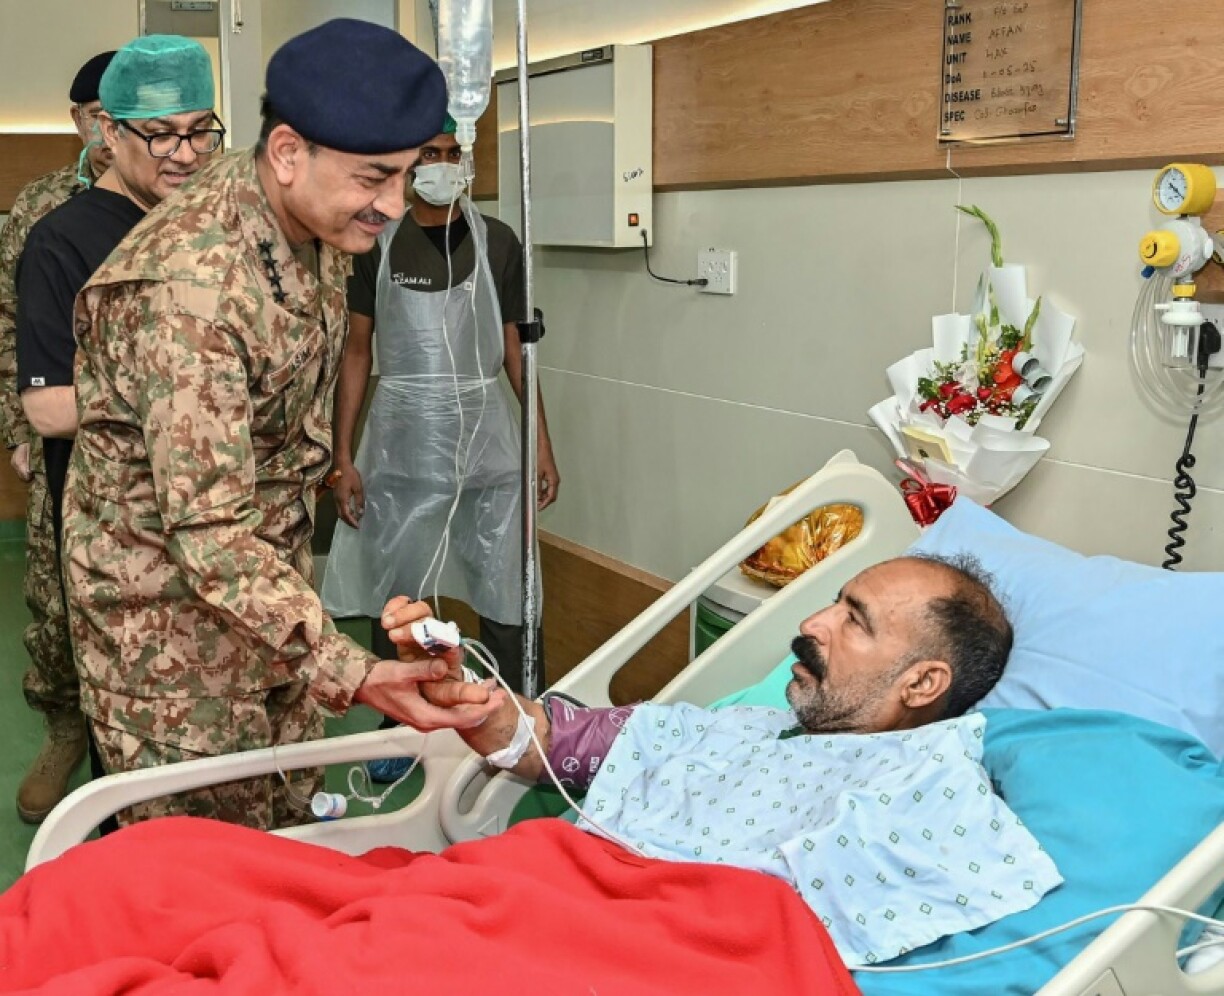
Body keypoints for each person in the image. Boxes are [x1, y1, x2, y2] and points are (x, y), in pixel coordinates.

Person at [61, 19, 504, 831]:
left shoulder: (315, 223)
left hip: (267, 599)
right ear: (289, 152)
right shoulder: (188, 291)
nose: (395, 204)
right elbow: (207, 533)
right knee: (205, 871)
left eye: (406, 174)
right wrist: (355, 669)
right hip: (168, 630)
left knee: (286, 828)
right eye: (376, 176)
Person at [13, 37, 220, 828]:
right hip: (118, 538)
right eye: (162, 135)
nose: (185, 153)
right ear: (110, 132)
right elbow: (49, 408)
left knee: (215, 740)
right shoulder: (63, 240)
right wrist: (185, 394)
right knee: (133, 747)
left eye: (201, 131)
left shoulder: (211, 233)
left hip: (215, 532)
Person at [388, 552, 1013, 782]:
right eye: (832, 603)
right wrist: (458, 692)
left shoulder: (924, 799)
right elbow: (546, 744)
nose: (809, 624)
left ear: (923, 682)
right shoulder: (725, 728)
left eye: (854, 619)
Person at [321, 115, 559, 697]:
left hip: (488, 438)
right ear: (405, 164)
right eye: (430, 154)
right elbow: (356, 352)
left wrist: (540, 447)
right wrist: (343, 455)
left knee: (505, 578)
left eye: (453, 154)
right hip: (402, 441)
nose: (444, 166)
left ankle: (519, 709)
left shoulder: (497, 241)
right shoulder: (373, 240)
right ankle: (400, 716)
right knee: (401, 588)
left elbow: (514, 352)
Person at [0, 50, 117, 824]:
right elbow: (10, 327)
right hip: (58, 438)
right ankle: (64, 726)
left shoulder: (183, 204)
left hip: (150, 445)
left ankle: (124, 745)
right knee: (56, 593)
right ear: (78, 120)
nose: (110, 129)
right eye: (97, 114)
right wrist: (18, 421)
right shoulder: (40, 208)